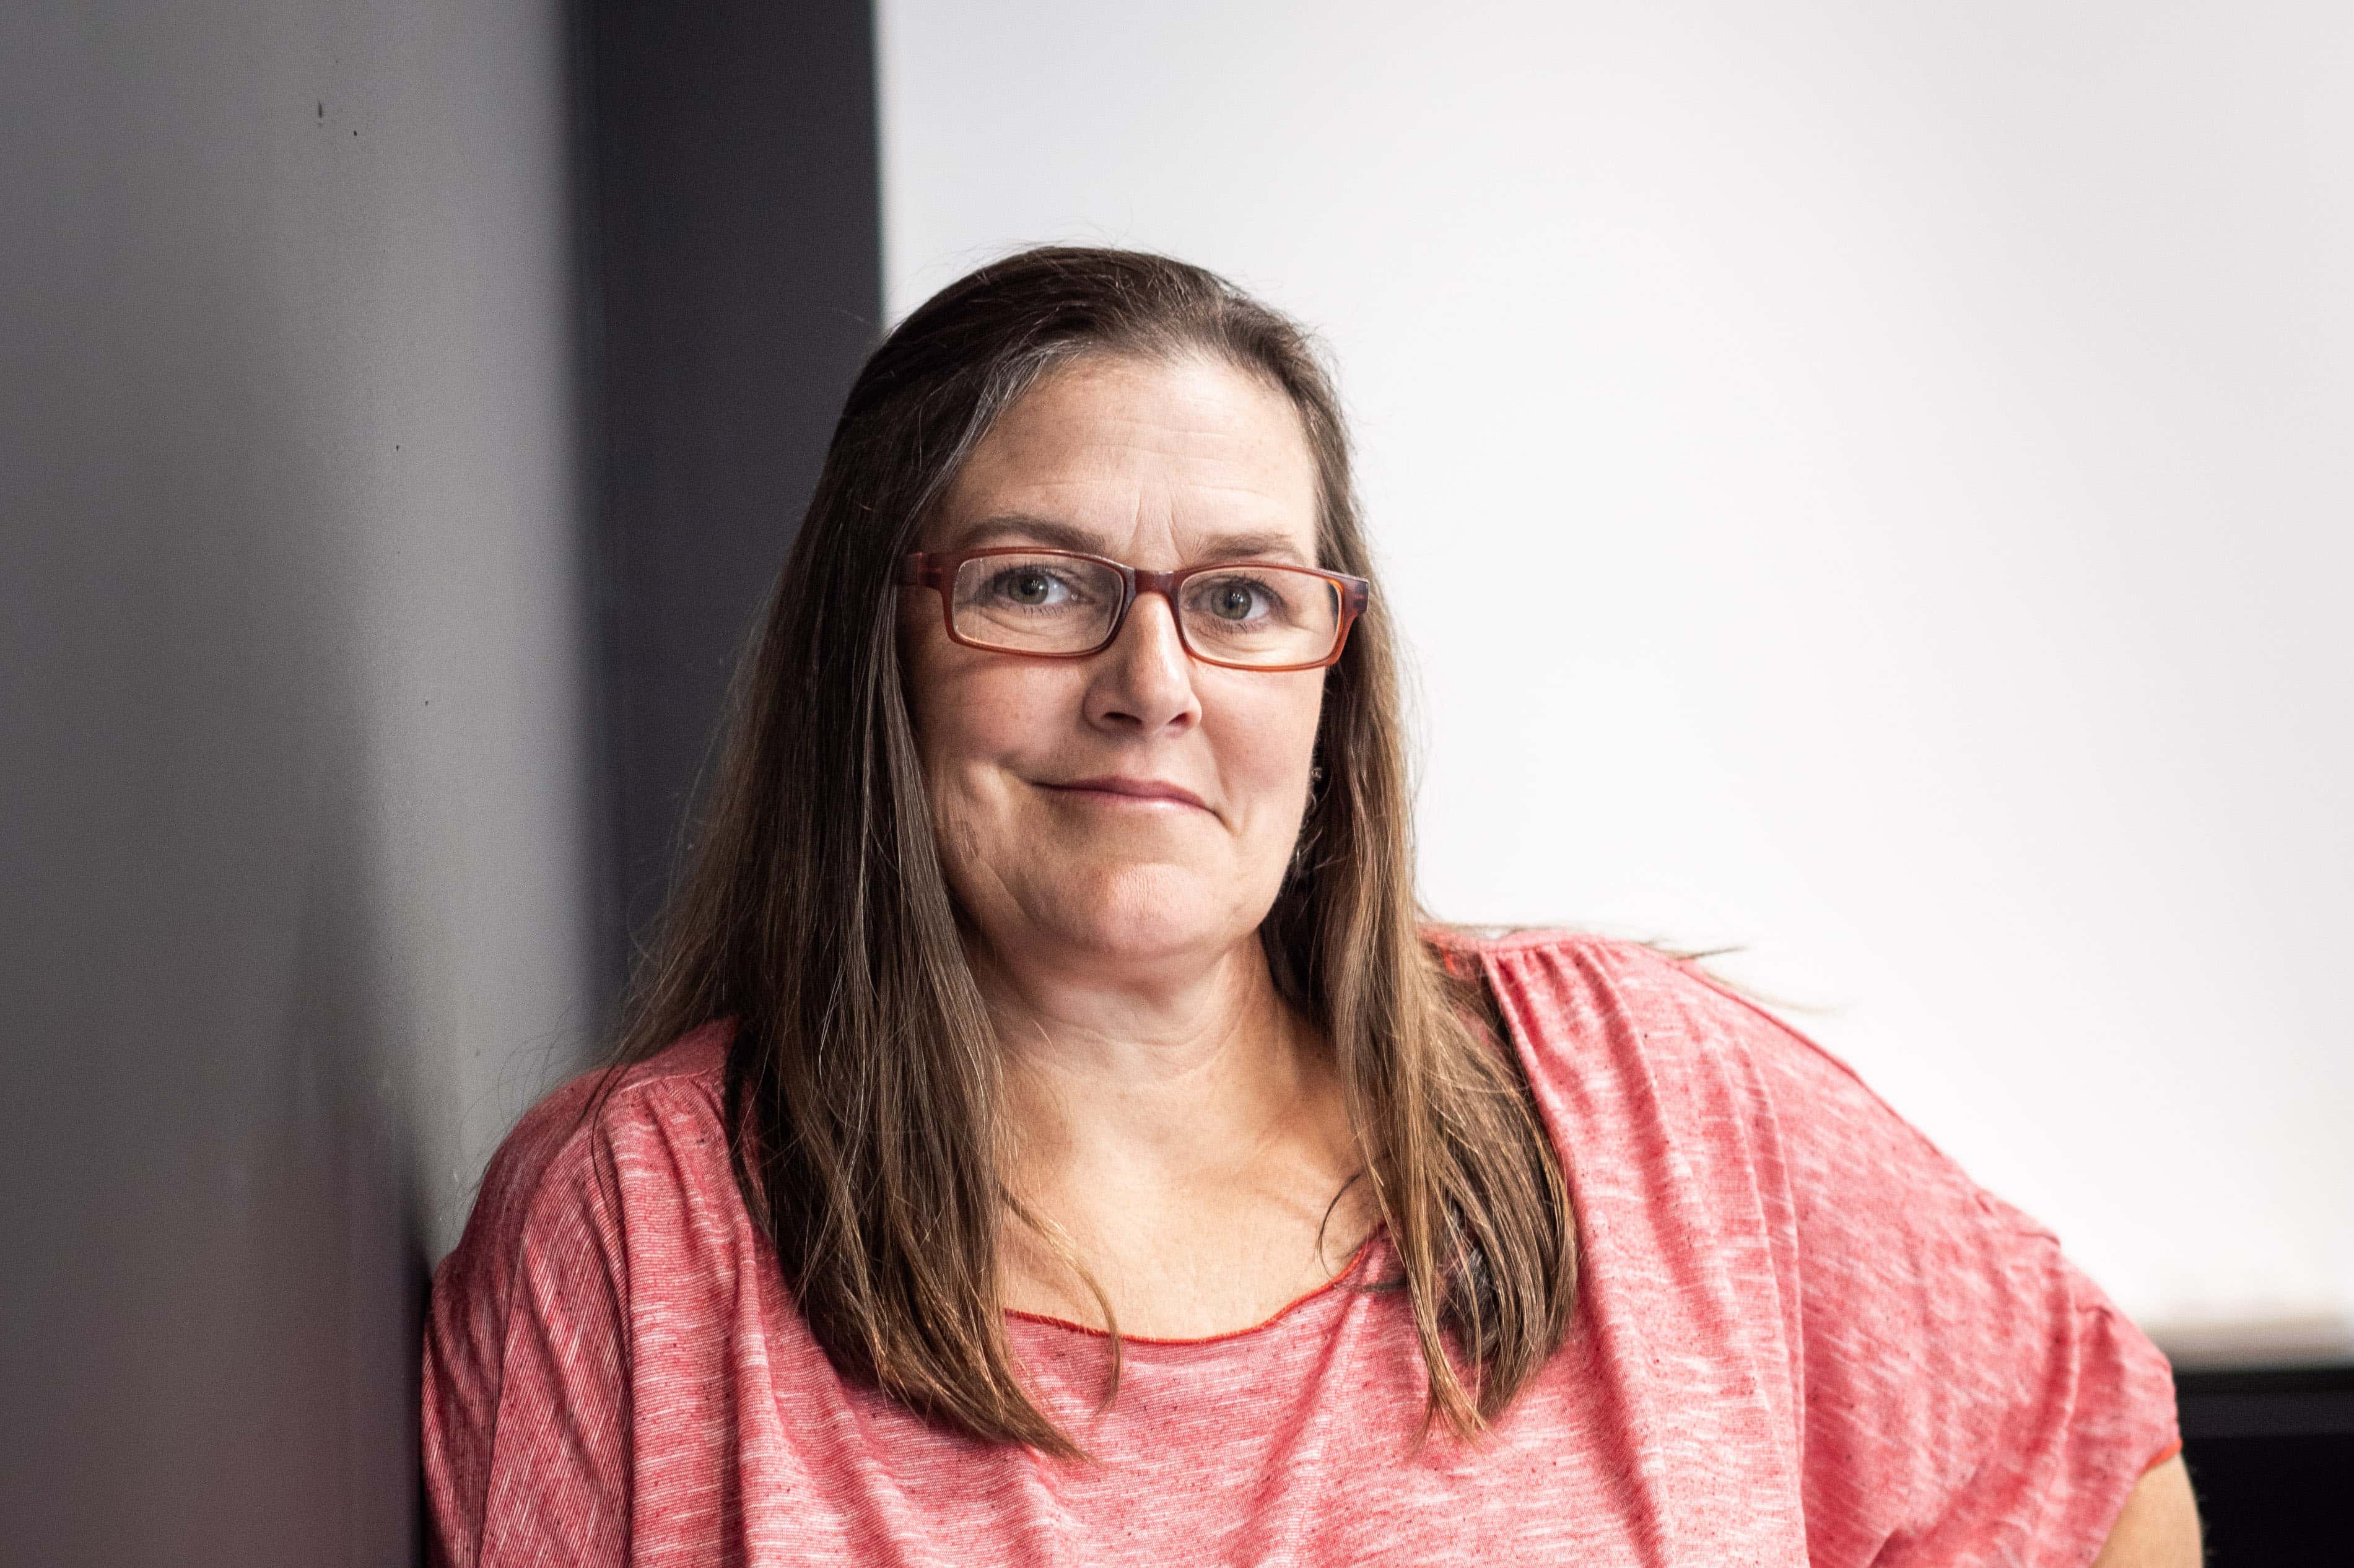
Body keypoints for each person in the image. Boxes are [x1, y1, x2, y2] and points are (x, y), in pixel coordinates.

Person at [422, 247, 2199, 1566]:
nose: (1151, 681)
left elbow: (2085, 1462)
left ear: (1333, 678)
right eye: (1037, 583)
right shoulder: (631, 1234)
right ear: (872, 649)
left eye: (1245, 597)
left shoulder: (1655, 1100)